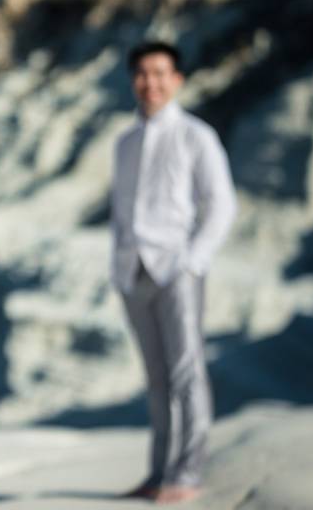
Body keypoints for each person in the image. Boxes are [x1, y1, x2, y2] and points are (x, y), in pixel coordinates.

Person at [110, 41, 236, 504]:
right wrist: (117, 264)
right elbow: (122, 212)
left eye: (161, 73)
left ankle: (188, 471)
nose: (151, 82)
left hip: (177, 269)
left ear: (178, 80)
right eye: (142, 73)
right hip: (132, 272)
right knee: (157, 378)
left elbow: (221, 205)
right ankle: (159, 471)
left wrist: (192, 262)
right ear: (133, 80)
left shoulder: (196, 135)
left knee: (187, 373)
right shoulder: (124, 141)